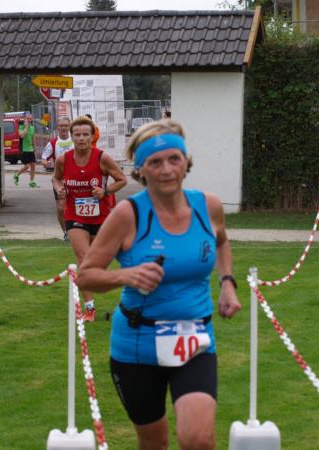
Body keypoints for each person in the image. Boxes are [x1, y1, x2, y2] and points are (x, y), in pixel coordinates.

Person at [77, 119, 241, 449]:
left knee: (198, 439)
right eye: (155, 162)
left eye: (174, 159)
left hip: (195, 338)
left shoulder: (208, 206)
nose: (166, 170)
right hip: (137, 343)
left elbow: (221, 242)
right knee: (154, 443)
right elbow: (86, 275)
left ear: (186, 162)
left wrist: (227, 283)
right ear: (141, 170)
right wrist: (126, 275)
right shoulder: (128, 215)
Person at [52, 115, 127, 322]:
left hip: (101, 216)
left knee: (96, 263)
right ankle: (89, 308)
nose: (81, 138)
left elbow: (122, 180)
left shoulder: (102, 158)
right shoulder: (63, 159)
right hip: (74, 215)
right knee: (83, 259)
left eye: (85, 134)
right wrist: (59, 188)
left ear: (92, 136)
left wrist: (105, 190)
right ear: (72, 137)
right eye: (77, 135)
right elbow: (56, 178)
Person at [42, 117, 75, 239]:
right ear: (57, 127)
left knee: (76, 205)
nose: (64, 128)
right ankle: (66, 232)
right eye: (61, 125)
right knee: (61, 208)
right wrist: (47, 164)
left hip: (76, 178)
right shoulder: (53, 143)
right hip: (60, 179)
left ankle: (78, 230)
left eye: (66, 125)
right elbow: (43, 159)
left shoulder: (75, 140)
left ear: (69, 126)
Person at [13, 112, 40, 188]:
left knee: (33, 166)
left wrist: (35, 149)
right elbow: (22, 135)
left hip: (30, 150)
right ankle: (16, 174)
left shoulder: (32, 128)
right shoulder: (21, 127)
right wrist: (26, 126)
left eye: (30, 119)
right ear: (25, 119)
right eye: (28, 119)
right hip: (24, 150)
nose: (29, 120)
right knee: (27, 166)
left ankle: (32, 182)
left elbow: (33, 139)